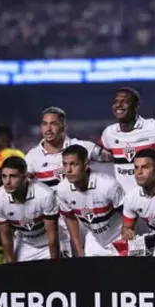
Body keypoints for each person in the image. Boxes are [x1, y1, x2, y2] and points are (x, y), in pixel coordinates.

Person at [25, 107, 112, 257]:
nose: (48, 128)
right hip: (55, 222)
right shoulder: (32, 157)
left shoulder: (81, 147)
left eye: (53, 124)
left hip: (84, 218)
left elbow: (111, 157)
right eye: (45, 124)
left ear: (64, 126)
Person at [56, 145, 125, 257]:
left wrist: (127, 240)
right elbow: (70, 218)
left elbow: (128, 214)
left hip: (118, 239)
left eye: (74, 164)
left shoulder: (108, 185)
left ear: (86, 164)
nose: (68, 170)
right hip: (94, 244)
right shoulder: (62, 189)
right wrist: (79, 249)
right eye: (65, 164)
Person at [100, 87, 155, 192]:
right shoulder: (109, 133)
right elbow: (107, 154)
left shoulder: (154, 127)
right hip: (127, 202)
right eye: (116, 101)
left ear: (136, 105)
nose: (118, 105)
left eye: (124, 101)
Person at [0, 156, 60, 262]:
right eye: (4, 176)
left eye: (13, 176)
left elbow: (53, 237)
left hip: (48, 244)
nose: (7, 182)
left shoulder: (45, 194)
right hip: (25, 244)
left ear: (25, 177)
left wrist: (55, 266)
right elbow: (6, 238)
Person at [0, 126, 25, 264]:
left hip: (4, 200)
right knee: (17, 235)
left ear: (2, 139)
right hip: (20, 200)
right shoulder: (21, 154)